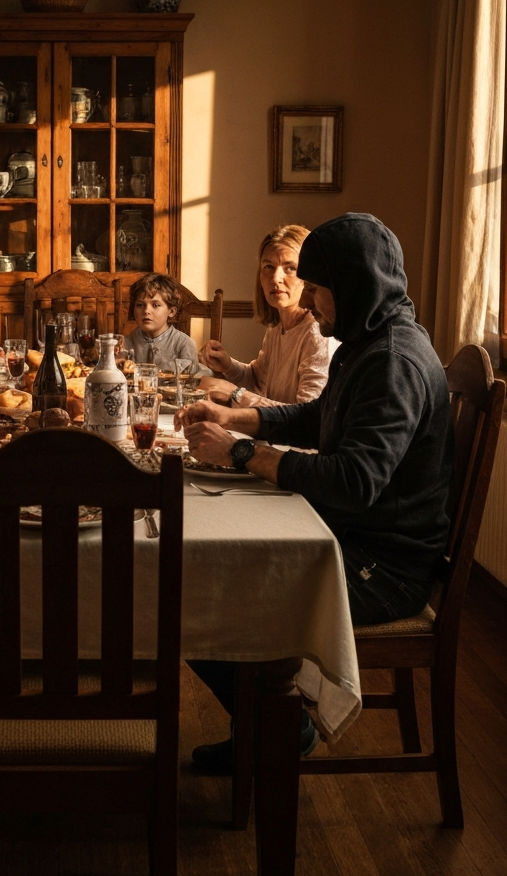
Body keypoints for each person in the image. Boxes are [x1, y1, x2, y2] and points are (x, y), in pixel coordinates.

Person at [177, 213, 452, 770]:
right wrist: (239, 419)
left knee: (208, 590)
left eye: (318, 288)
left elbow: (353, 482)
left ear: (353, 284)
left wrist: (238, 452)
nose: (311, 302)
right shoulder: (369, 338)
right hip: (356, 537)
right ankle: (262, 719)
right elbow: (321, 416)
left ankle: (281, 726)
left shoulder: (393, 362)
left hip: (384, 566)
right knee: (210, 574)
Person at [199, 224, 336, 408]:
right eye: (269, 267)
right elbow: (257, 380)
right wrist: (227, 366)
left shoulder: (317, 333)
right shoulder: (277, 327)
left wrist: (234, 394)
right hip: (270, 437)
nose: (276, 278)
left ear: (309, 275)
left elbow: (307, 418)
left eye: (290, 268)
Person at [124, 273, 198, 367]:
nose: (146, 311)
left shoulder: (184, 344)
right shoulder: (127, 342)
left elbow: (191, 379)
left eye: (155, 305)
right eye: (140, 305)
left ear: (171, 311)